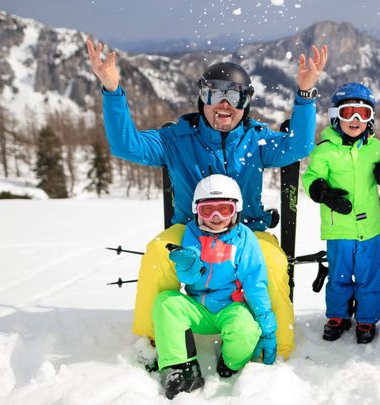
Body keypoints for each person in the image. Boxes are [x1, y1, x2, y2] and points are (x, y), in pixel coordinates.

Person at [85, 37, 328, 360]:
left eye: (234, 96)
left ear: (246, 103)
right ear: (203, 98)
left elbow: (297, 147)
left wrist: (306, 95)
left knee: (272, 261)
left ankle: (278, 348)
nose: (224, 104)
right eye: (215, 94)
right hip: (191, 233)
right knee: (159, 252)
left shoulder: (255, 140)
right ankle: (152, 341)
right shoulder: (177, 139)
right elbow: (126, 146)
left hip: (247, 231)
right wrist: (112, 91)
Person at [154, 175, 276, 398]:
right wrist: (188, 264)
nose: (216, 217)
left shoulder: (244, 238)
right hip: (197, 308)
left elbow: (255, 283)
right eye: (208, 211)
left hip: (230, 308)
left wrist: (268, 329)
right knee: (166, 302)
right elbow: (190, 277)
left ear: (236, 210)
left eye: (224, 209)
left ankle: (230, 362)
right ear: (197, 211)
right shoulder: (192, 231)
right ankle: (183, 368)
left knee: (245, 329)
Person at [301, 82, 380, 344]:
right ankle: (338, 315)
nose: (354, 120)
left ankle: (366, 319)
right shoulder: (325, 150)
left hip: (371, 228)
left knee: (370, 277)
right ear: (335, 116)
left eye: (362, 114)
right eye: (348, 112)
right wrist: (324, 193)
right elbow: (311, 178)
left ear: (370, 119)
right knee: (339, 276)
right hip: (339, 228)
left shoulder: (375, 148)